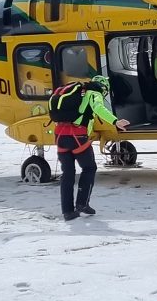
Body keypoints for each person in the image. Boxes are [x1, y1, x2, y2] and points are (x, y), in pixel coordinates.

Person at [51, 74, 130, 221]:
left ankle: (67, 211)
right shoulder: (94, 93)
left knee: (67, 173)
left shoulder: (77, 93)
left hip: (60, 136)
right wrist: (115, 121)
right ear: (104, 88)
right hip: (77, 136)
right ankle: (82, 204)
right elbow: (99, 108)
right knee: (89, 168)